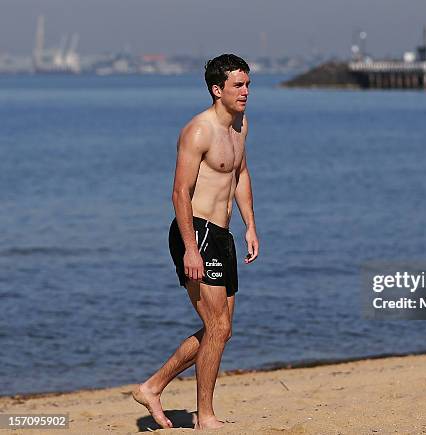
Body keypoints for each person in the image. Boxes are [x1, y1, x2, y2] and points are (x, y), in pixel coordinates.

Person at [132, 53, 259, 430]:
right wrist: (189, 247)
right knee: (217, 327)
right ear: (217, 90)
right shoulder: (198, 131)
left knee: (221, 329)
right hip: (196, 232)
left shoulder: (240, 125)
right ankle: (204, 416)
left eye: (248, 84)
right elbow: (178, 193)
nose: (246, 92)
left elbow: (241, 174)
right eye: (238, 85)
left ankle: (153, 386)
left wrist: (250, 225)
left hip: (223, 235)